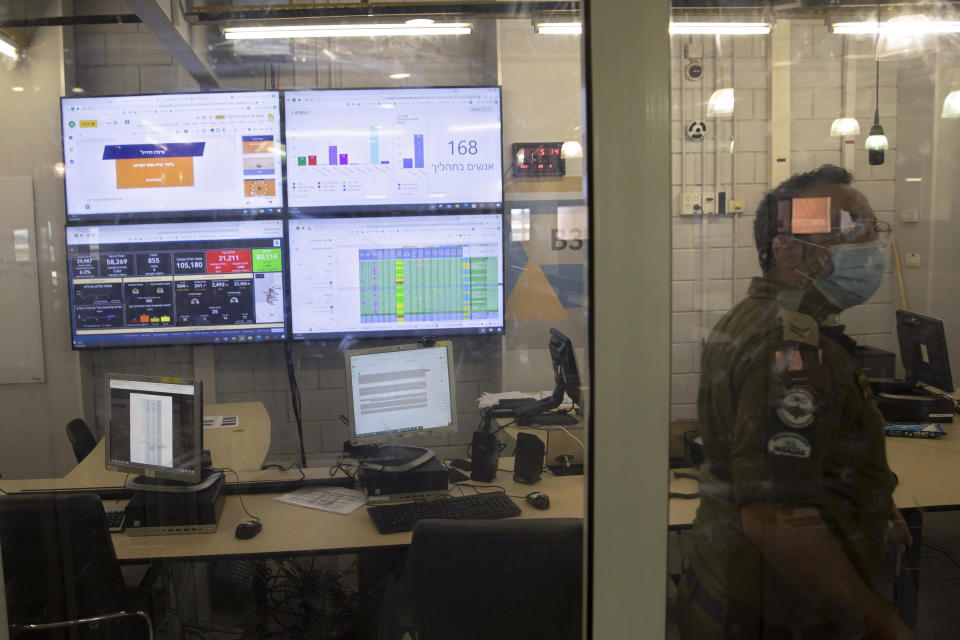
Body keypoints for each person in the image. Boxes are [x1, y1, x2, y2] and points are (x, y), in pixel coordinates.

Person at [677, 165, 914, 640]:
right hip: (774, 613)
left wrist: (872, 505)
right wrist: (881, 621)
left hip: (731, 590)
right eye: (851, 230)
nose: (870, 244)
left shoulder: (756, 317)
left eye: (872, 228)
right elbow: (778, 522)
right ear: (787, 248)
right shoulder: (791, 348)